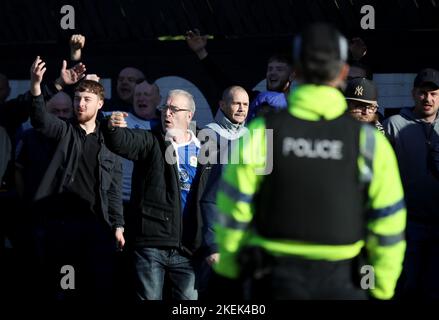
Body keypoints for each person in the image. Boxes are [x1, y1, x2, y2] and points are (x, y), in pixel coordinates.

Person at [213, 23, 406, 300]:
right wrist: (382, 288)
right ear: (342, 73)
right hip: (345, 283)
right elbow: (388, 220)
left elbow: (233, 207)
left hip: (274, 281)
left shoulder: (263, 131)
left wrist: (230, 271)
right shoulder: (368, 141)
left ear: (296, 72)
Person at [28, 56, 125, 301]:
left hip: (98, 226)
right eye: (77, 99)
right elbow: (39, 119)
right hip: (63, 227)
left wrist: (118, 225)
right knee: (65, 290)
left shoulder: (108, 140)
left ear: (100, 104)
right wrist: (37, 86)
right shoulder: (64, 130)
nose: (80, 104)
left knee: (97, 289)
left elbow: (113, 186)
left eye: (87, 100)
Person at [103, 89, 212, 300]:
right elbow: (121, 142)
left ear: (189, 115)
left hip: (189, 246)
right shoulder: (150, 140)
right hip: (152, 243)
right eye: (164, 108)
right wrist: (112, 127)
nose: (167, 113)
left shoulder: (206, 146)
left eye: (174, 109)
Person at [383, 68, 439, 299]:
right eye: (422, 92)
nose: (428, 98)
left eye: (434, 93)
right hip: (407, 225)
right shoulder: (393, 125)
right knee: (408, 287)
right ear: (413, 93)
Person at [198, 85, 249, 299]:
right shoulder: (207, 136)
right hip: (215, 235)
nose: (241, 108)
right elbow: (206, 195)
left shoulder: (253, 138)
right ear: (222, 105)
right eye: (236, 103)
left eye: (245, 104)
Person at [185, 29, 294, 117]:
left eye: (279, 69)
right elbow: (224, 82)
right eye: (270, 69)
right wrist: (201, 52)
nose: (272, 73)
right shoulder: (254, 98)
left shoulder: (301, 105)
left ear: (292, 75)